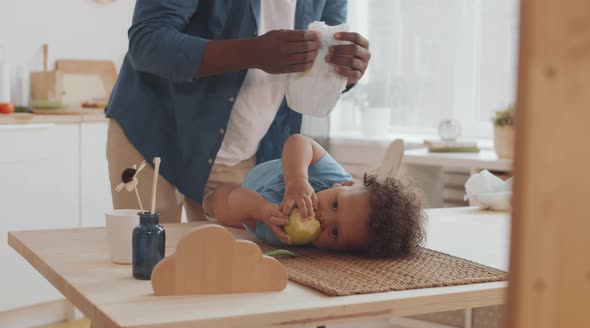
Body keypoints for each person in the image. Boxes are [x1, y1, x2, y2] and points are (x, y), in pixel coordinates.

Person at [105, 0, 371, 223]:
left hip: (245, 149)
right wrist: (253, 52)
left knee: (231, 275)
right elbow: (148, 42)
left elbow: (322, 63)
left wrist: (344, 73)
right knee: (142, 267)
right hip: (155, 133)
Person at [204, 134, 426, 258]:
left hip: (251, 209)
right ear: (346, 184)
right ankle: (206, 195)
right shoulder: (332, 175)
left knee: (224, 203)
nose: (324, 218)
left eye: (335, 232)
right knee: (224, 188)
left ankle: (209, 202)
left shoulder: (292, 238)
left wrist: (262, 211)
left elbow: (238, 201)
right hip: (265, 175)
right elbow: (298, 141)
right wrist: (297, 180)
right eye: (335, 204)